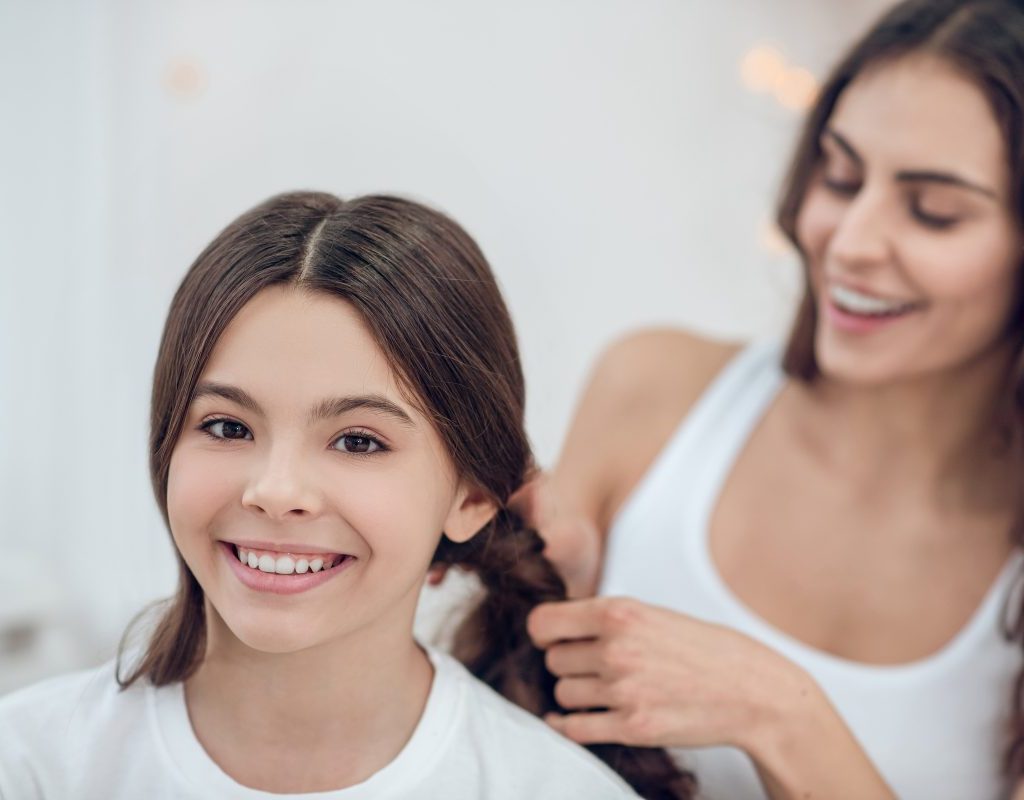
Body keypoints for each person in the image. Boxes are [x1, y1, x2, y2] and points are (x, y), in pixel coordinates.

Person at [0, 192, 695, 799]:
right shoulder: (30, 765)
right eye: (226, 426)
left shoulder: (553, 790)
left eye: (358, 441)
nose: (276, 491)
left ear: (476, 495)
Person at [518, 1, 1024, 798]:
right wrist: (544, 592)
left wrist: (775, 713)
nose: (850, 240)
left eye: (934, 212)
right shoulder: (653, 389)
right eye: (840, 175)